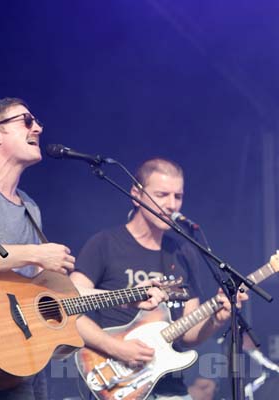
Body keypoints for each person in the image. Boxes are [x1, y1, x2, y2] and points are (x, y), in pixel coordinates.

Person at [0, 99, 166, 400]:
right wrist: (36, 254)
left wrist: (130, 297)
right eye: (26, 120)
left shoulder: (29, 207)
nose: (38, 127)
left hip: (31, 352)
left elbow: (52, 294)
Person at [71, 158, 247, 400]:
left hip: (170, 387)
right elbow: (68, 308)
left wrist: (216, 319)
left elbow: (187, 335)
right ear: (136, 194)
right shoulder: (105, 244)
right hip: (116, 380)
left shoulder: (184, 252)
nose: (171, 204)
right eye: (162, 194)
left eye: (178, 196)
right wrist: (117, 348)